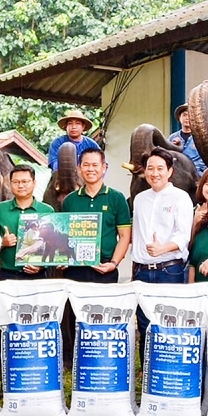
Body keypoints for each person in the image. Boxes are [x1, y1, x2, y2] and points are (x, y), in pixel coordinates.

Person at [61, 148, 131, 368]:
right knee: (75, 316)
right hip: (75, 269)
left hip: (104, 270)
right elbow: (64, 236)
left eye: (95, 165)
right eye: (86, 165)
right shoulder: (71, 200)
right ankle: (77, 362)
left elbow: (125, 236)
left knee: (102, 316)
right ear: (79, 168)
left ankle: (102, 360)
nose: (91, 169)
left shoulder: (116, 198)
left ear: (104, 168)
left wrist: (113, 263)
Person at [131, 147, 192, 361]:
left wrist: (162, 249)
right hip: (141, 272)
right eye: (150, 168)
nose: (154, 173)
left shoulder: (181, 197)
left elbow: (183, 235)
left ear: (169, 171)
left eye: (159, 168)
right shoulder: (139, 199)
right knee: (144, 324)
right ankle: (147, 376)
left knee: (170, 323)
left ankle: (170, 374)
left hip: (170, 270)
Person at [0, 164, 54, 280]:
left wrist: (41, 266)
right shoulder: (1, 209)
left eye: (25, 181)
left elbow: (53, 243)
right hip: (7, 274)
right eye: (15, 182)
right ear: (10, 184)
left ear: (34, 183)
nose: (20, 186)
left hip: (37, 275)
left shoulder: (47, 210)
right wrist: (2, 242)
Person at [168, 103, 207, 176]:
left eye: (190, 115)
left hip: (196, 173)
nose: (187, 118)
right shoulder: (172, 137)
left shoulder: (201, 137)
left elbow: (206, 159)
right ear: (179, 118)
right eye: (185, 115)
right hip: (176, 172)